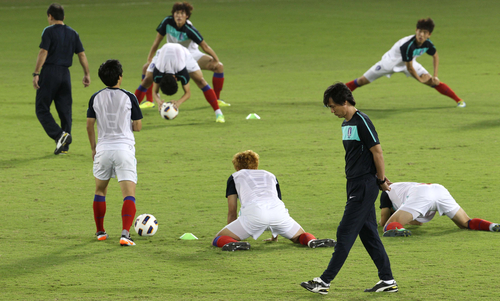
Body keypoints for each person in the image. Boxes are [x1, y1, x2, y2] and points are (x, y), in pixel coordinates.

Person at [301, 83, 397, 295]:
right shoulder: (346, 123)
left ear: (346, 102)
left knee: (345, 231)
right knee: (370, 235)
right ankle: (387, 280)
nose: (331, 110)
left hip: (364, 185)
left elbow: (377, 152)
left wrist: (381, 179)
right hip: (354, 183)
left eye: (333, 106)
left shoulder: (362, 121)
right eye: (329, 107)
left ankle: (324, 281)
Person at [212, 150, 336, 251]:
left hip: (254, 214)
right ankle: (311, 241)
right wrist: (274, 236)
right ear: (256, 164)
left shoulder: (235, 177)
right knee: (299, 237)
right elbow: (275, 201)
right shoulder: (270, 175)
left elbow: (232, 210)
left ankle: (235, 243)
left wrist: (233, 232)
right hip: (279, 213)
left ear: (237, 167)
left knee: (219, 238)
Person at [345, 18, 466, 108]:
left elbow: (435, 56)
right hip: (389, 63)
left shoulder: (428, 43)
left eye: (425, 32)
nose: (421, 34)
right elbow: (410, 68)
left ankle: (458, 100)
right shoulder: (408, 45)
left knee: (434, 82)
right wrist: (420, 79)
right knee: (361, 81)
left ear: (429, 35)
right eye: (419, 31)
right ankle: (334, 98)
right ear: (416, 30)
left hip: (410, 62)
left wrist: (434, 76)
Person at [86, 60, 143, 246]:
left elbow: (89, 124)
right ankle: (125, 234)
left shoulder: (95, 97)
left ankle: (100, 231)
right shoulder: (129, 96)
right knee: (128, 194)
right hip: (124, 150)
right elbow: (138, 126)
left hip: (103, 149)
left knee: (100, 190)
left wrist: (94, 148)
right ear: (120, 76)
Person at [136, 1, 229, 109]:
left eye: (182, 13)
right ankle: (150, 101)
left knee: (219, 67)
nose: (179, 16)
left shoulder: (189, 29)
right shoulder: (167, 22)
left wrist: (216, 60)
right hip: (170, 55)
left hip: (190, 54)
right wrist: (149, 58)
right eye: (177, 13)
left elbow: (205, 46)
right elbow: (157, 41)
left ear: (187, 16)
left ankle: (217, 99)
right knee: (145, 68)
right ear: (173, 14)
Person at [33, 3, 91, 155]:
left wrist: (36, 73)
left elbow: (43, 52)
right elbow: (82, 54)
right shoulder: (73, 33)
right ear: (64, 17)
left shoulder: (48, 31)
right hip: (65, 75)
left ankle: (60, 135)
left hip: (50, 72)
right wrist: (87, 74)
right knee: (65, 111)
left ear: (50, 16)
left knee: (41, 108)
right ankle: (64, 147)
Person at [379, 182, 500, 237]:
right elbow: (418, 221)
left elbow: (383, 222)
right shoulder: (402, 187)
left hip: (421, 194)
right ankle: (491, 226)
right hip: (438, 189)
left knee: (390, 225)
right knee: (465, 222)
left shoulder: (386, 192)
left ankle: (400, 230)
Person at [145, 43, 225, 123]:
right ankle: (133, 113)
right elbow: (155, 91)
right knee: (147, 78)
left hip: (183, 53)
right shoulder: (158, 72)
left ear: (176, 79)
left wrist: (178, 103)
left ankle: (219, 113)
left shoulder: (182, 71)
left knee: (201, 81)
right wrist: (159, 102)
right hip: (163, 52)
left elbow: (188, 93)